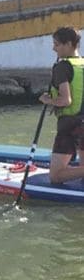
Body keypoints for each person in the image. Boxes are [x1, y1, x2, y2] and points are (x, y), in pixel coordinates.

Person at [39, 26, 84, 184]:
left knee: (55, 177)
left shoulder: (62, 67)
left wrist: (47, 100)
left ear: (69, 44)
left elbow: (66, 101)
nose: (53, 48)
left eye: (57, 44)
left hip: (70, 124)